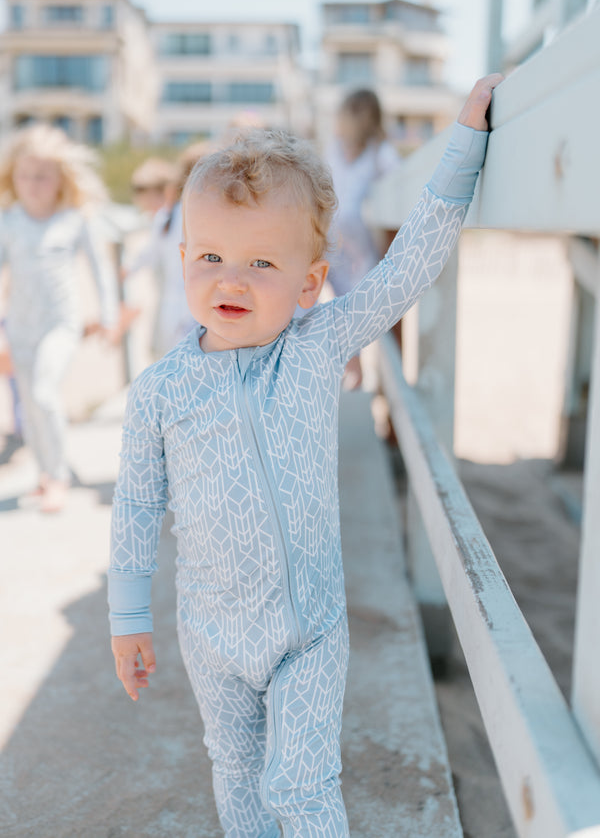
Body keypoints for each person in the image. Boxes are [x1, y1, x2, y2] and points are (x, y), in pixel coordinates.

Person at [108, 74, 503, 837]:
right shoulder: (159, 391)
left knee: (301, 784)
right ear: (183, 255)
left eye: (262, 265)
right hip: (211, 633)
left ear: (310, 282)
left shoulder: (318, 348)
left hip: (310, 629)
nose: (231, 278)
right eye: (212, 256)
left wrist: (463, 143)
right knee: (236, 769)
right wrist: (129, 617)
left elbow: (407, 270)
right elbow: (136, 506)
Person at [0, 124, 118, 512]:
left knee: (45, 393)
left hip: (61, 324)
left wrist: (109, 315)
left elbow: (101, 269)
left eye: (42, 176)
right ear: (13, 177)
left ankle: (59, 478)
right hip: (20, 328)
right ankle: (44, 474)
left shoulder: (75, 218)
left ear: (59, 179)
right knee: (31, 408)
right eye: (25, 175)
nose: (33, 183)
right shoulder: (9, 222)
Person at [326, 89, 400, 388]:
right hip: (333, 242)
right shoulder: (335, 148)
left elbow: (400, 179)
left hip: (358, 246)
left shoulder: (378, 152)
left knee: (355, 309)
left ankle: (358, 373)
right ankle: (352, 369)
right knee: (338, 307)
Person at [125, 142, 213, 359]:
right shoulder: (207, 213)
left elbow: (149, 252)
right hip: (201, 304)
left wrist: (128, 269)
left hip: (172, 307)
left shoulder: (167, 215)